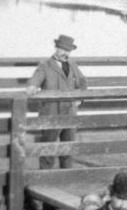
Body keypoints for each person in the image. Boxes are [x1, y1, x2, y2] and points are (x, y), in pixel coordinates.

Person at [26, 34, 88, 169]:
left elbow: (82, 82)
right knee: (48, 144)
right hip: (51, 111)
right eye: (63, 49)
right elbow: (36, 78)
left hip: (70, 112)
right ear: (56, 48)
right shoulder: (45, 65)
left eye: (68, 50)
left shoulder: (72, 64)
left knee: (68, 145)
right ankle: (45, 174)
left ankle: (66, 174)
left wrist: (79, 99)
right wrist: (32, 87)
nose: (65, 53)